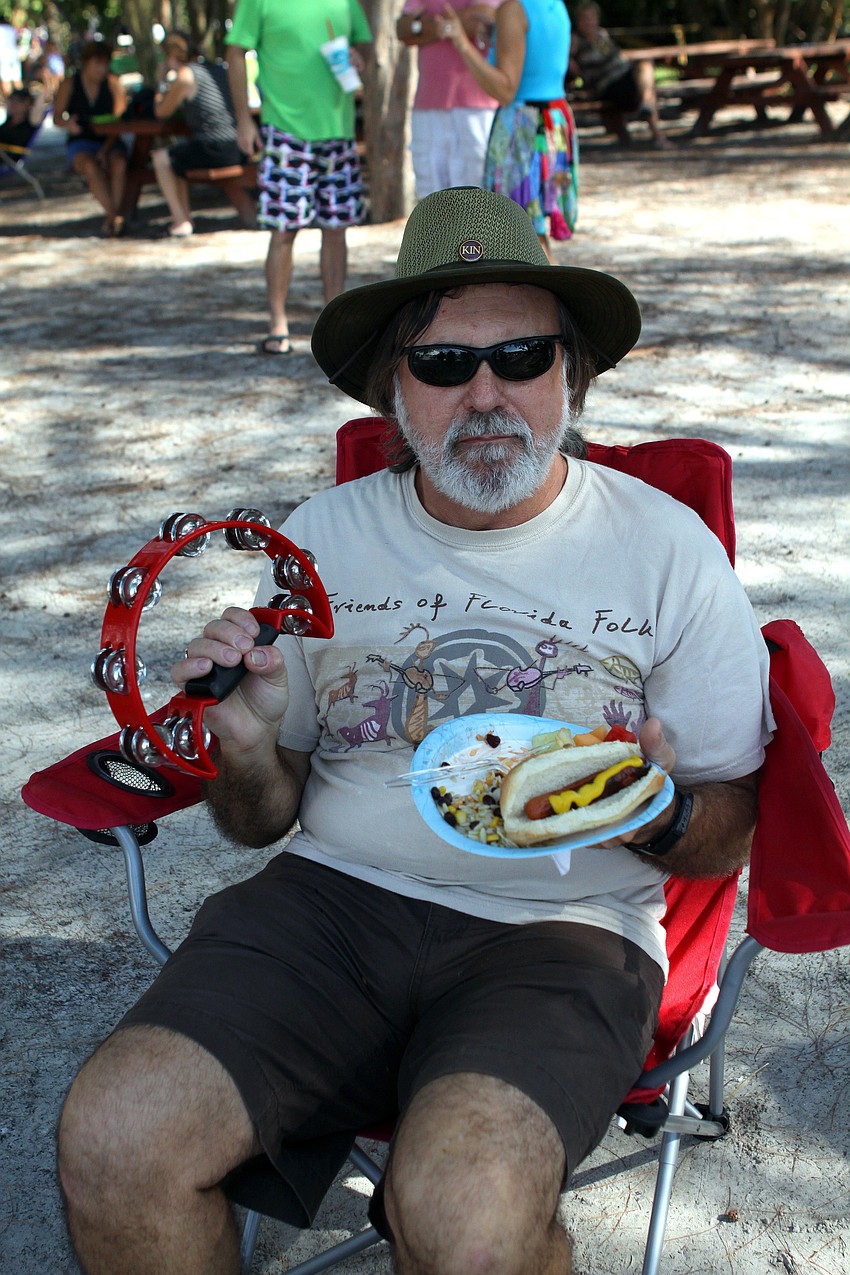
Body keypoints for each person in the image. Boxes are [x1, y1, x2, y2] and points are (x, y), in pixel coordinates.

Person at [57, 185, 773, 1275]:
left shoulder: (667, 551)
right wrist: (245, 743)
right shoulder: (325, 539)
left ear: (568, 375)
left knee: (468, 1221)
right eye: (442, 365)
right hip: (328, 907)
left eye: (522, 358)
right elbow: (258, 822)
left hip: (563, 932)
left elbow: (730, 830)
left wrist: (661, 808)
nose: (485, 394)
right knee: (115, 1142)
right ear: (394, 390)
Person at [225, 0, 372, 356]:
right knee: (283, 231)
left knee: (336, 230)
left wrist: (358, 56)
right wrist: (244, 120)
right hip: (285, 132)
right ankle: (278, 322)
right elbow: (234, 52)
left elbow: (363, 42)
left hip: (337, 130)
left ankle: (333, 323)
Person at [440, 0, 578, 260]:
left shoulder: (513, 10)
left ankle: (555, 299)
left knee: (523, 237)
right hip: (554, 121)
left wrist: (461, 41)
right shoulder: (554, 4)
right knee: (534, 234)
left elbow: (505, 90)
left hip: (524, 128)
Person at [152, 32, 254, 238]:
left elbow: (161, 111)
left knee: (161, 158)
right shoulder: (217, 68)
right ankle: (249, 215)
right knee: (178, 158)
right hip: (238, 145)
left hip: (215, 148)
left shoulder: (185, 75)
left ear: (171, 57)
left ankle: (181, 221)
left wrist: (160, 82)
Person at [397, 1, 501, 198]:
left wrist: (422, 26)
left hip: (478, 106)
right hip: (429, 106)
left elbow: (488, 18)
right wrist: (448, 26)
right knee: (431, 201)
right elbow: (402, 30)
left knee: (479, 200)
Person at [52, 39, 128, 237]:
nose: (101, 69)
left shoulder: (113, 84)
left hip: (110, 140)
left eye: (105, 64)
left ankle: (113, 217)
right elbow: (57, 117)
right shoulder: (70, 84)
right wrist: (68, 124)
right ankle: (114, 216)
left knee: (119, 162)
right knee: (89, 166)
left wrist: (104, 150)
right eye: (97, 63)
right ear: (86, 62)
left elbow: (121, 120)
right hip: (82, 141)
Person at [570, 2, 667, 149]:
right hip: (606, 85)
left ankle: (647, 107)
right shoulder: (575, 40)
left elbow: (615, 56)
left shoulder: (601, 35)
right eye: (585, 18)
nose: (589, 22)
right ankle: (658, 136)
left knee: (645, 66)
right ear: (579, 21)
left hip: (622, 77)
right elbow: (568, 63)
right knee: (646, 88)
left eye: (591, 18)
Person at [0, 83, 44, 148]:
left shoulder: (29, 128)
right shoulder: (5, 126)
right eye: (11, 101)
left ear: (27, 104)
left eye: (17, 101)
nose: (13, 104)